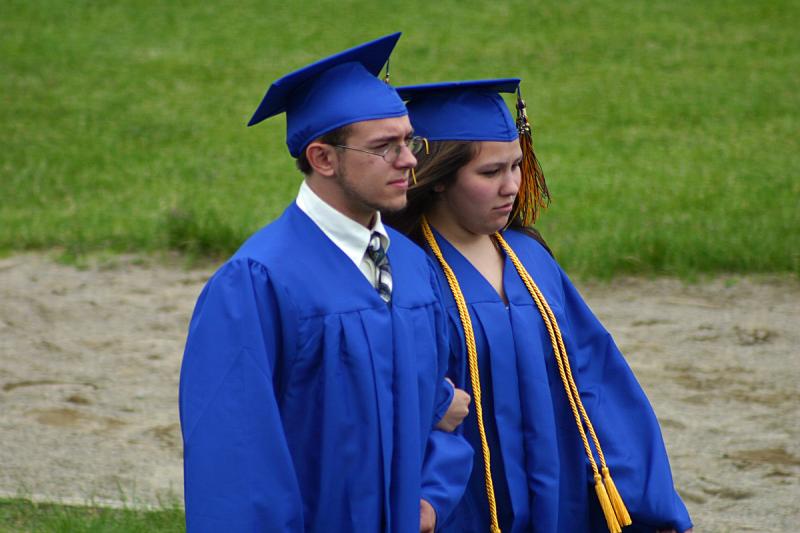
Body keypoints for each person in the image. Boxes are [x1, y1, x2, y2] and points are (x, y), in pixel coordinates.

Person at [178, 34, 473, 532]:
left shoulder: (411, 264)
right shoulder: (258, 282)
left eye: (409, 141)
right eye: (385, 147)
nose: (410, 160)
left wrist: (431, 497)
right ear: (323, 159)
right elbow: (235, 452)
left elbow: (447, 404)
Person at [384, 79, 693, 533]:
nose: (512, 186)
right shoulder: (406, 273)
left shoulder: (530, 258)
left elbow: (595, 378)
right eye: (490, 173)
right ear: (437, 179)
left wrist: (650, 499)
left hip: (559, 493)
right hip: (461, 503)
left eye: (516, 166)